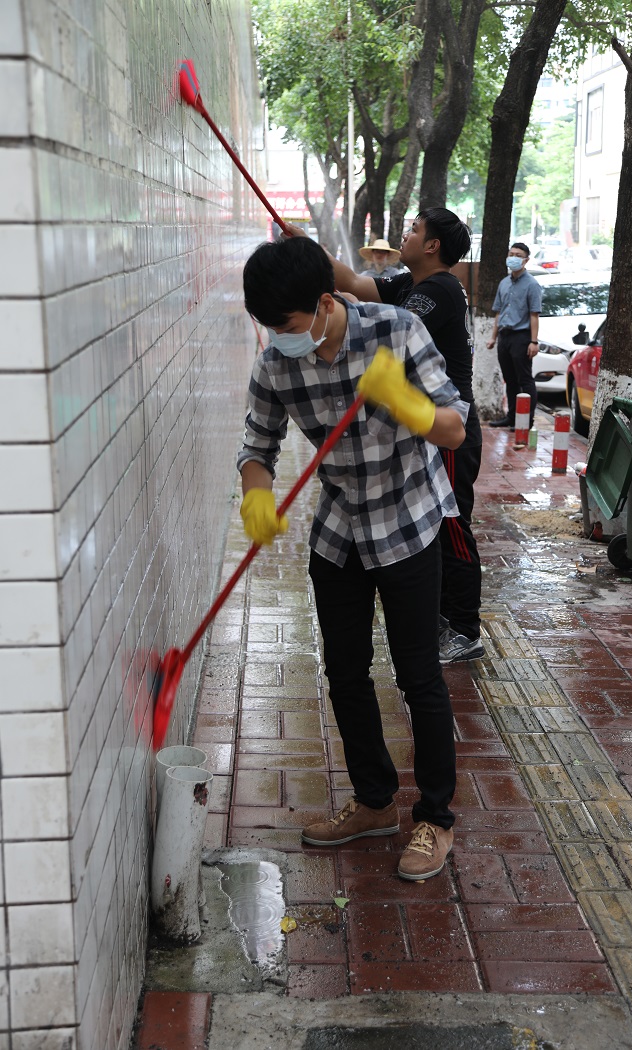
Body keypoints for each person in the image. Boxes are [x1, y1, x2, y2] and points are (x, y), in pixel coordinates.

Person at [237, 235, 470, 880]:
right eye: (270, 328)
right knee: (344, 670)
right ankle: (374, 801)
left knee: (417, 674)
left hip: (407, 518)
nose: (280, 339)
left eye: (286, 325)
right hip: (340, 527)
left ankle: (435, 817)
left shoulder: (396, 331)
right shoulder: (277, 364)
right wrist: (256, 494)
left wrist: (406, 402)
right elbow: (257, 447)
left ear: (323, 302)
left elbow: (455, 428)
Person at [289, 209, 483, 665]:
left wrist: (340, 310)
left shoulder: (438, 290)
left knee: (450, 525)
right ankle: (440, 620)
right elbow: (355, 283)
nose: (405, 234)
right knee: (431, 525)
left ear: (433, 245)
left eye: (414, 229)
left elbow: (386, 330)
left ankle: (464, 629)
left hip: (446, 425)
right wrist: (307, 246)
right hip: (420, 421)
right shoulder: (411, 282)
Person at [486, 242, 542, 430]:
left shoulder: (532, 284)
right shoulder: (504, 283)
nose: (513, 258)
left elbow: (534, 315)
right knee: (509, 379)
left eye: (518, 255)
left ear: (526, 260)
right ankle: (511, 417)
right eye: (511, 254)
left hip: (521, 337)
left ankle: (527, 421)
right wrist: (493, 337)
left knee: (525, 380)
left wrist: (534, 342)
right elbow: (499, 312)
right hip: (504, 337)